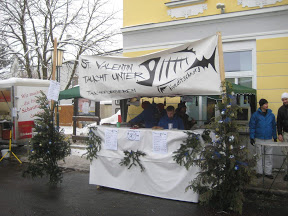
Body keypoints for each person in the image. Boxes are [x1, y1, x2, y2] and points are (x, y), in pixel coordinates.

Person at [249, 98, 277, 179]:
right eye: (265, 104)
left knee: (269, 156)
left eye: (267, 103)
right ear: (261, 105)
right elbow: (252, 126)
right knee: (259, 155)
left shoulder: (271, 115)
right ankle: (259, 172)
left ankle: (268, 172)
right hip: (259, 138)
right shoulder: (255, 115)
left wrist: (274, 137)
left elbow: (273, 127)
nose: (267, 105)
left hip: (268, 138)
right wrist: (252, 137)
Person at [277, 92, 288, 181]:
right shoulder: (280, 110)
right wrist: (279, 134)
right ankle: (287, 173)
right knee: (286, 154)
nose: (285, 101)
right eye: (283, 100)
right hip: (285, 134)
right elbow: (279, 123)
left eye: (286, 99)